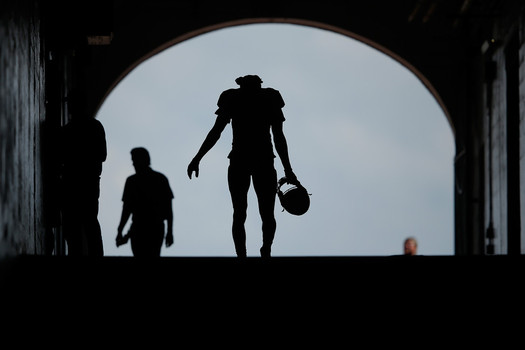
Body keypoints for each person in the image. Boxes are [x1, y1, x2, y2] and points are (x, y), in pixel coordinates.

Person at [187, 75, 298, 258]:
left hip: (245, 160)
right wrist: (288, 169)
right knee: (254, 212)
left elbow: (217, 131)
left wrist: (197, 158)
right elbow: (278, 137)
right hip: (255, 160)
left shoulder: (237, 98)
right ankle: (258, 252)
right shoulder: (265, 98)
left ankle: (254, 252)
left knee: (246, 212)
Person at [59, 90, 107, 256]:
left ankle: (76, 257)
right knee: (89, 222)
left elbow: (59, 158)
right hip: (88, 182)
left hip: (72, 183)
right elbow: (102, 155)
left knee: (74, 225)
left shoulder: (66, 131)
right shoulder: (95, 126)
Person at [116, 147, 174, 257]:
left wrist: (120, 230)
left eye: (134, 160)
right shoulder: (161, 179)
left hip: (139, 230)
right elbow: (168, 210)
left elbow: (126, 209)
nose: (133, 164)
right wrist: (169, 232)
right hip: (155, 229)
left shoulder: (131, 182)